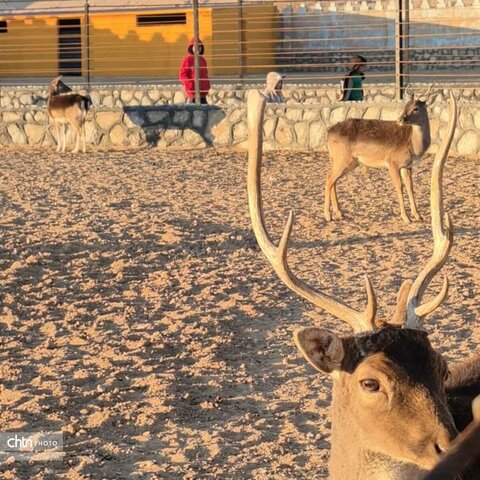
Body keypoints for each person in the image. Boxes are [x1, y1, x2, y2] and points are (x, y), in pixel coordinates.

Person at [179, 38, 211, 105]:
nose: (197, 48)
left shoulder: (203, 60)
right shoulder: (188, 59)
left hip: (203, 94)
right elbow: (182, 75)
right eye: (195, 46)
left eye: (199, 46)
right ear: (191, 47)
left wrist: (207, 85)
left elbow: (205, 74)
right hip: (193, 94)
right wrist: (190, 84)